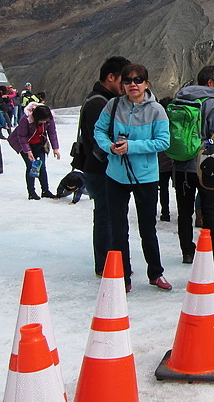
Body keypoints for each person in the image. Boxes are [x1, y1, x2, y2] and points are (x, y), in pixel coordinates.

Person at [93, 63, 171, 292]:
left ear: (147, 83)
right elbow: (98, 130)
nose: (132, 84)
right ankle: (123, 275)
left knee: (147, 227)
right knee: (118, 228)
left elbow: (163, 142)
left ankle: (155, 273)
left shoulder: (157, 110)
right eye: (127, 80)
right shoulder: (113, 104)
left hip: (145, 176)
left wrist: (132, 146)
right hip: (116, 175)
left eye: (138, 80)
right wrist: (109, 146)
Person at [78, 56, 131, 277]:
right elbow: (99, 142)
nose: (128, 85)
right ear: (111, 77)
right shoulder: (99, 103)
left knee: (108, 216)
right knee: (106, 217)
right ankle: (106, 264)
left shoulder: (101, 100)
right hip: (100, 170)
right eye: (124, 80)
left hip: (100, 168)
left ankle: (109, 261)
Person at [171, 65, 214, 265]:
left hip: (179, 165)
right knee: (209, 209)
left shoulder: (179, 98)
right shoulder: (211, 103)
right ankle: (212, 252)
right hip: (203, 165)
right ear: (210, 83)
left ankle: (187, 252)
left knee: (184, 211)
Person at [7, 102, 61, 199]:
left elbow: (52, 133)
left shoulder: (48, 117)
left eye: (46, 120)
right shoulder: (26, 119)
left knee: (41, 166)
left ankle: (45, 190)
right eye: (42, 120)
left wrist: (55, 148)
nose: (44, 122)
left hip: (39, 144)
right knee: (32, 167)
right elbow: (22, 136)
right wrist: (28, 151)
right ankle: (31, 192)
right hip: (24, 144)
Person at [157, 96, 174, 222]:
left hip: (161, 161)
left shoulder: (158, 120)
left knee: (163, 189)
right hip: (174, 160)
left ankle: (165, 213)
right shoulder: (175, 121)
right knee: (180, 189)